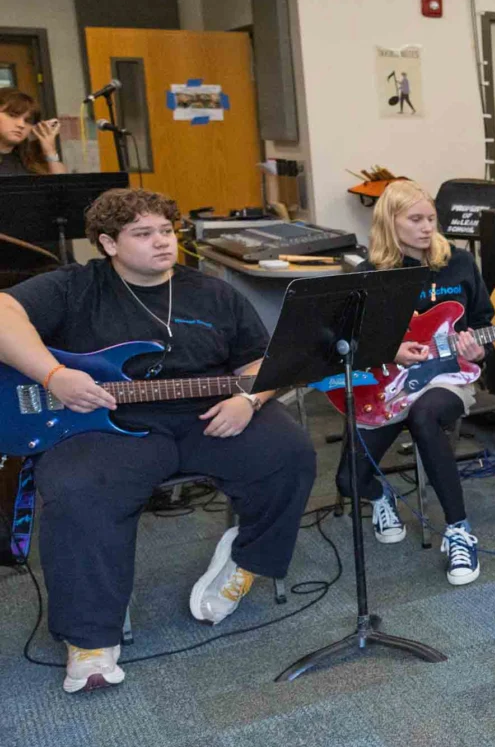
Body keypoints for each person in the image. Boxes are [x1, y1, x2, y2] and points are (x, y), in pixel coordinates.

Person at [0, 188, 315, 693]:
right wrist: (54, 374)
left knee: (290, 453)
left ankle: (246, 558)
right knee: (78, 488)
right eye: (143, 234)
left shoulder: (213, 292)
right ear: (107, 243)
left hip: (208, 414)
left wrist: (251, 401)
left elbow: (261, 363)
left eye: (166, 231)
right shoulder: (75, 287)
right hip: (103, 422)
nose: (161, 242)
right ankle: (89, 639)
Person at [335, 180, 492, 585]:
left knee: (425, 416)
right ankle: (381, 496)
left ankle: (459, 530)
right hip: (386, 381)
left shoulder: (457, 262)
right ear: (391, 222)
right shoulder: (371, 274)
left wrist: (478, 348)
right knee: (349, 480)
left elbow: (481, 321)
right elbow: (349, 340)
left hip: (448, 375)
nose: (427, 228)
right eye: (416, 219)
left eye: (431, 219)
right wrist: (391, 350)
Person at [0, 88, 67, 175]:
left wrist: (49, 150)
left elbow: (62, 186)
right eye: (12, 115)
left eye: (27, 121)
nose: (21, 125)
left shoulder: (30, 163)